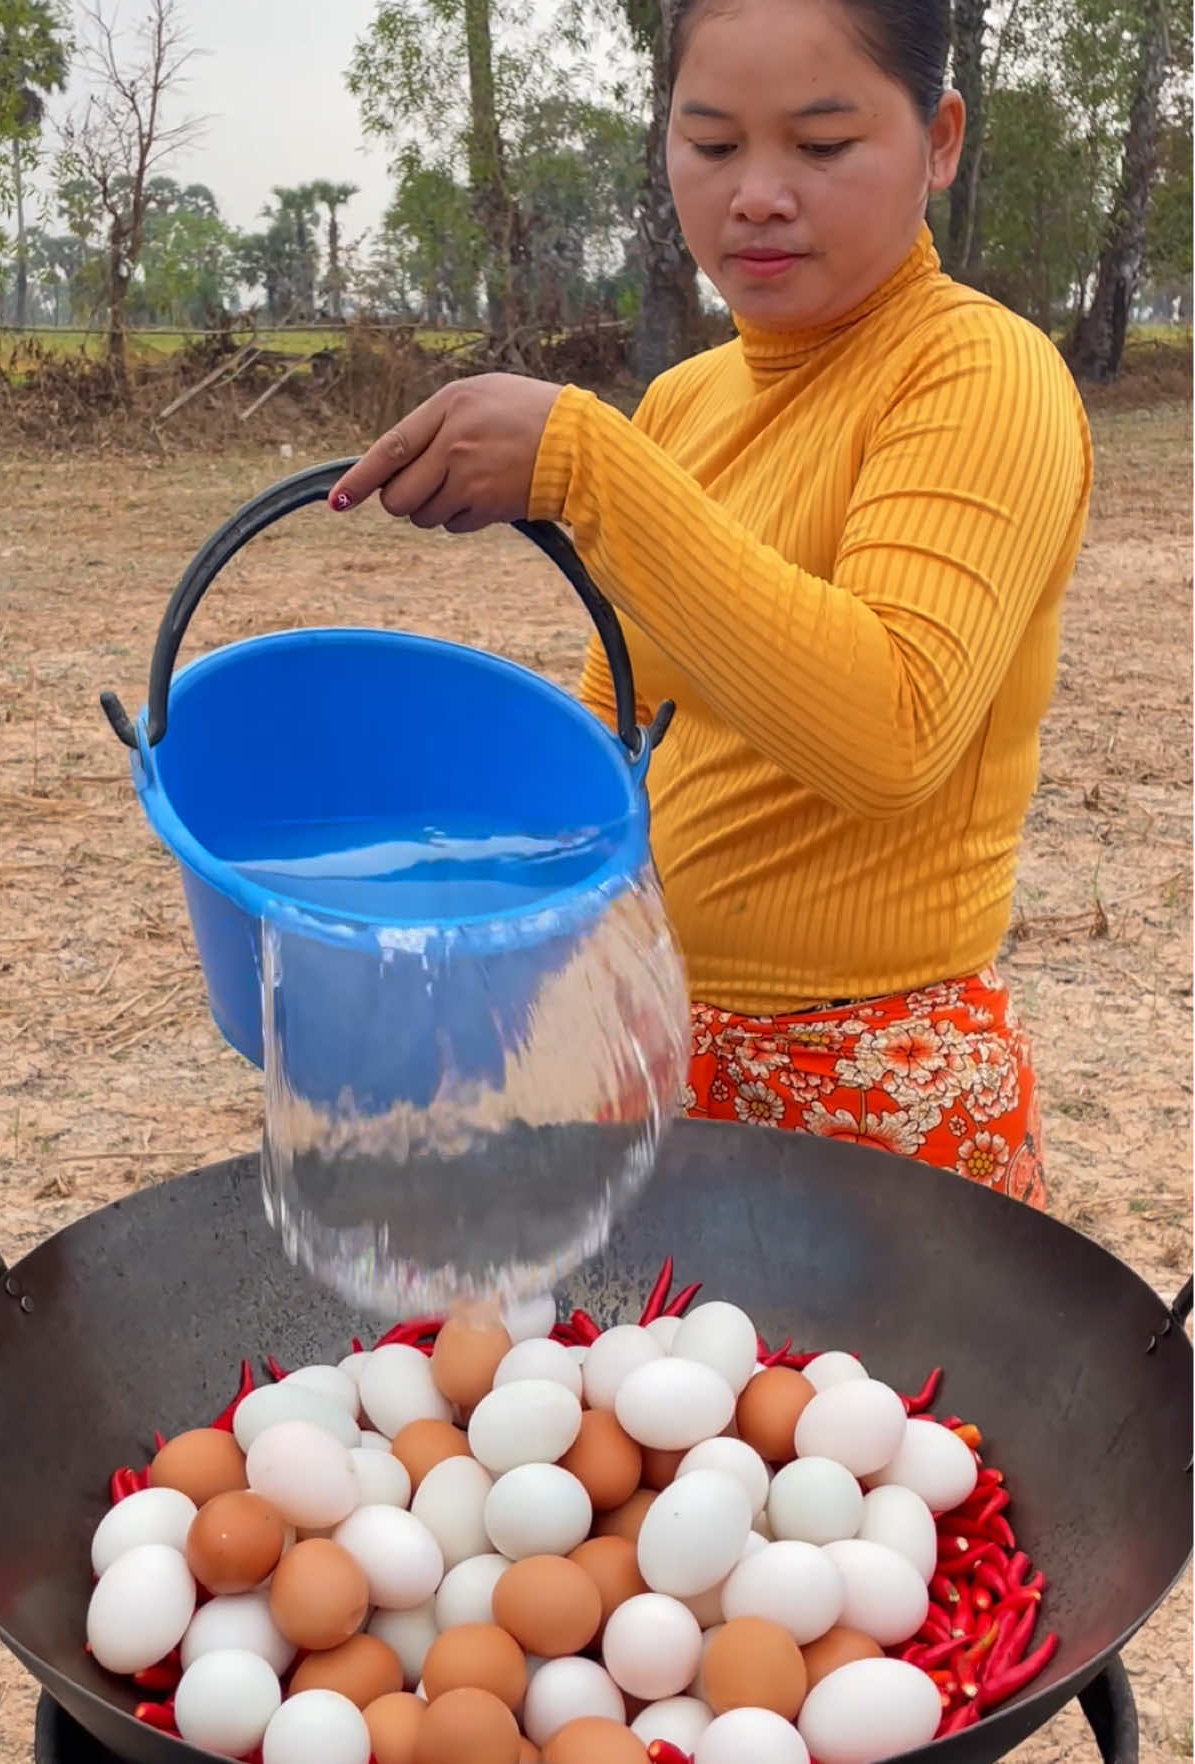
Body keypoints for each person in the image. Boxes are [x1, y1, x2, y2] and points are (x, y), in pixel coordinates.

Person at [328, 0, 1093, 1209]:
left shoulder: (979, 371)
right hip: (652, 1050)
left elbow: (892, 731)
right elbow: (621, 737)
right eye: (714, 143)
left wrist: (587, 465)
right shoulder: (684, 406)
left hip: (868, 1076)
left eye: (823, 145)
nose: (758, 195)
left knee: (875, 1397)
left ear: (939, 139)